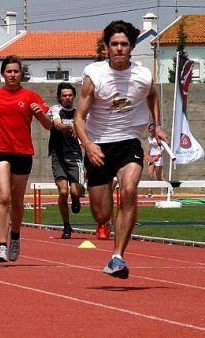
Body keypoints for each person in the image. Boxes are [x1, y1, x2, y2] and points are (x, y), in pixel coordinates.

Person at [73, 21, 165, 279]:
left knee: (129, 190)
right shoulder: (95, 75)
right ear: (107, 48)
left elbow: (152, 95)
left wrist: (156, 125)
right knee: (102, 214)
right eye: (114, 44)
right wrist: (88, 146)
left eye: (124, 44)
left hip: (128, 141)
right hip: (99, 145)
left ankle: (117, 257)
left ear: (132, 47)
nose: (119, 48)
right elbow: (79, 118)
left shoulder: (143, 75)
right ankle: (110, 220)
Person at [0, 55, 52, 263]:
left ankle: (15, 236)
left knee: (17, 201)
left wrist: (40, 114)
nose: (12, 75)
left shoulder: (31, 96)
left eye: (16, 71)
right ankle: (2, 246)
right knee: (3, 197)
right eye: (9, 71)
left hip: (23, 152)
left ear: (21, 74)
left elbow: (48, 125)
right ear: (3, 73)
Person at [47, 82, 85, 240]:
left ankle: (76, 198)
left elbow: (86, 129)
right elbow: (57, 124)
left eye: (70, 95)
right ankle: (66, 226)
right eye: (64, 95)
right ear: (59, 97)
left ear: (74, 97)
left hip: (75, 154)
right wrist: (73, 127)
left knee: (75, 191)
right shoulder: (55, 109)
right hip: (58, 155)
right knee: (63, 191)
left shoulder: (79, 113)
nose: (67, 98)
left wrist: (80, 127)